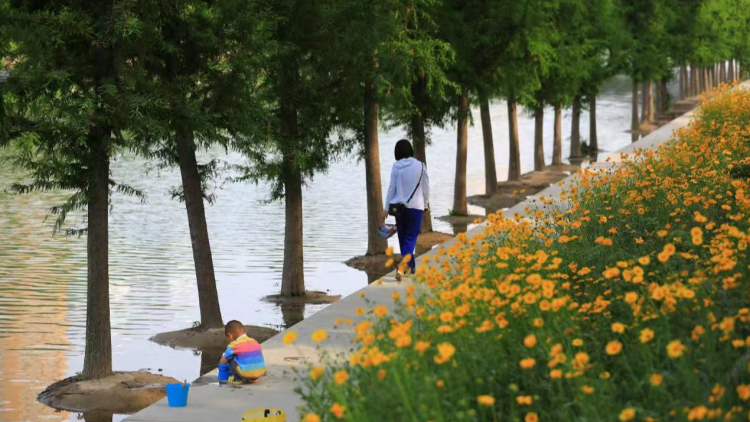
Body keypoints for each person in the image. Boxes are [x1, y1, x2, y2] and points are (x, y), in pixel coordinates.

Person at [380, 139, 430, 280]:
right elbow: (426, 187)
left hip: (399, 209)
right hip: (415, 208)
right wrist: (426, 204)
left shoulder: (396, 166)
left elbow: (392, 188)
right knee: (410, 239)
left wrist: (386, 208)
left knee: (403, 239)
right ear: (410, 150)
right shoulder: (421, 166)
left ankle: (410, 268)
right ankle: (403, 267)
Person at [218, 320, 266, 385]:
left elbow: (223, 362)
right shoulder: (254, 341)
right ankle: (252, 378)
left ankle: (237, 378)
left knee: (229, 356)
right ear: (245, 331)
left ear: (230, 335)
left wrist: (222, 361)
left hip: (245, 373)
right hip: (260, 372)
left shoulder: (233, 345)